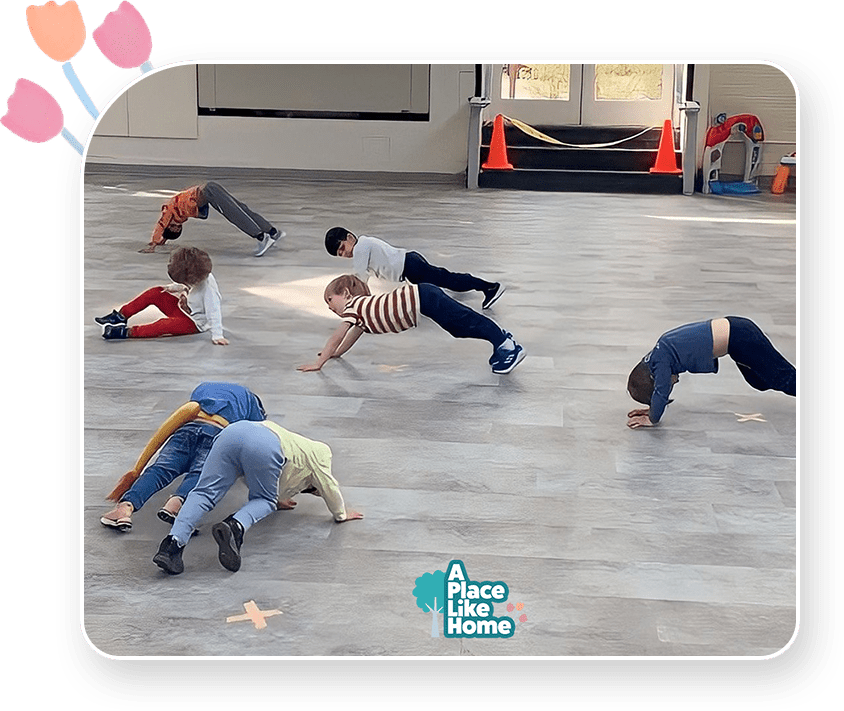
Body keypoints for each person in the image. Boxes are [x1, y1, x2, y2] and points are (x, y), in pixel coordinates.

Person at [153, 419, 363, 575]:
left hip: (233, 432)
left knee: (203, 492)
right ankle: (235, 526)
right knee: (264, 501)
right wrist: (341, 513)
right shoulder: (322, 453)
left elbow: (262, 475)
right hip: (265, 444)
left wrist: (278, 497)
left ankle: (172, 546)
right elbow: (329, 485)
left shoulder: (297, 446)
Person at [100, 382, 267, 532]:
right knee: (199, 474)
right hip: (217, 434)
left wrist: (136, 470)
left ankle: (125, 508)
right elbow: (255, 435)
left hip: (187, 430)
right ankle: (176, 504)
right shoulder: (251, 401)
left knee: (160, 470)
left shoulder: (204, 388)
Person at [297, 274, 525, 375]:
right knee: (458, 327)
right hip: (423, 298)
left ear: (345, 294)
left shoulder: (353, 307)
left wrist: (320, 362)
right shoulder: (360, 314)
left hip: (423, 297)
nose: (329, 306)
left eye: (330, 300)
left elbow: (337, 335)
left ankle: (506, 345)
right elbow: (351, 336)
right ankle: (500, 339)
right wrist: (336, 355)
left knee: (463, 321)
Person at [626, 316, 796, 428]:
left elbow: (660, 391)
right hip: (738, 333)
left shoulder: (661, 362)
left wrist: (652, 417)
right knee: (759, 382)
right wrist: (652, 407)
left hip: (740, 337)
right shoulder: (658, 354)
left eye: (672, 383)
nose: (675, 382)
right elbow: (659, 390)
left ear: (652, 379)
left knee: (783, 379)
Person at [324, 227, 505, 309]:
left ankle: (490, 287)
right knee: (445, 279)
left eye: (342, 248)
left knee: (448, 279)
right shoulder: (363, 246)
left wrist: (351, 301)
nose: (344, 254)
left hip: (410, 266)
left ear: (349, 238)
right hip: (410, 265)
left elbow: (359, 277)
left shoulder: (361, 246)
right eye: (340, 255)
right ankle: (476, 287)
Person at [94, 246, 228, 345]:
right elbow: (188, 285)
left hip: (194, 323)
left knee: (163, 325)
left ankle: (126, 332)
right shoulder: (198, 274)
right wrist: (174, 288)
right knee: (156, 292)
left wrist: (217, 335)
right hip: (183, 309)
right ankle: (120, 316)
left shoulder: (210, 290)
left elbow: (214, 312)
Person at [140, 181, 284, 257]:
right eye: (177, 229)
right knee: (241, 208)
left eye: (173, 228)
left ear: (168, 227)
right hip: (210, 190)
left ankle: (260, 237)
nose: (176, 227)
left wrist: (153, 244)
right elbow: (166, 234)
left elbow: (161, 225)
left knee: (233, 213)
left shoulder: (169, 211)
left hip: (208, 192)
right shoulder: (177, 219)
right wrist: (162, 242)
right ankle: (272, 231)